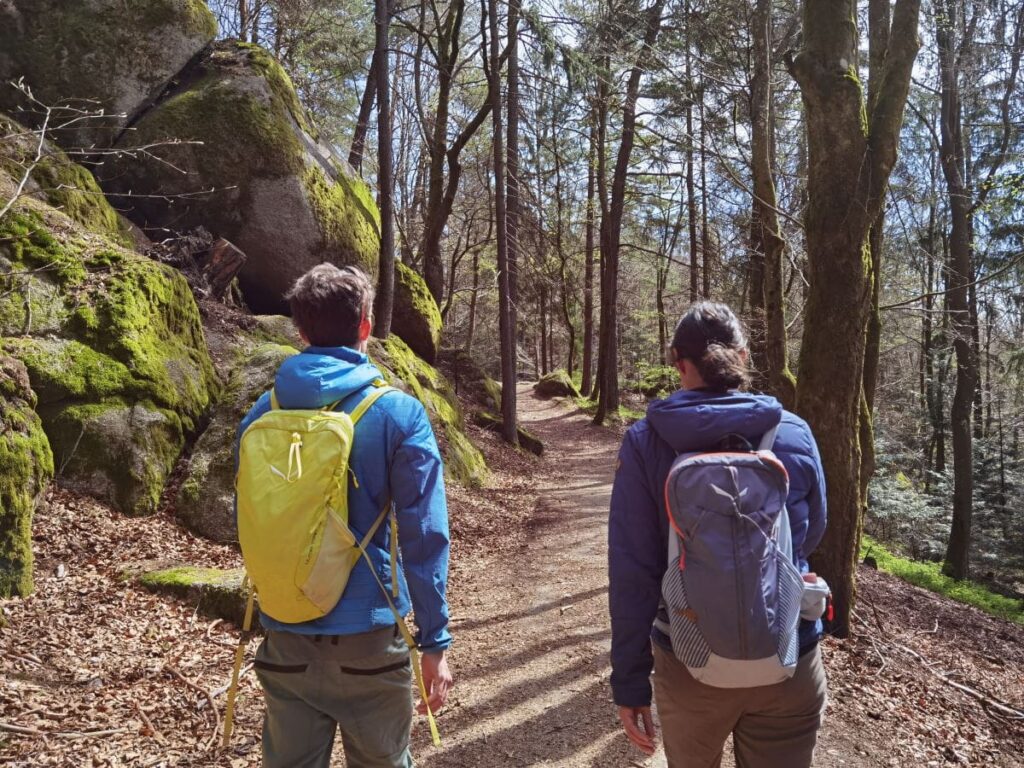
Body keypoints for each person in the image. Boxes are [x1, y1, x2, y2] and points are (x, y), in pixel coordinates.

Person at [236, 263, 453, 768]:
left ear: (300, 330)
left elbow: (252, 519)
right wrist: (434, 640)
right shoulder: (397, 412)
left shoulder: (261, 413)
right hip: (370, 647)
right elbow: (425, 534)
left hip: (285, 639)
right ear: (365, 326)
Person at [609, 302, 828, 768]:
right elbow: (811, 535)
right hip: (788, 653)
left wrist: (629, 681)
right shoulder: (793, 433)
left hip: (690, 661)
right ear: (743, 357)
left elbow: (633, 571)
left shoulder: (647, 441)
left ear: (678, 361)